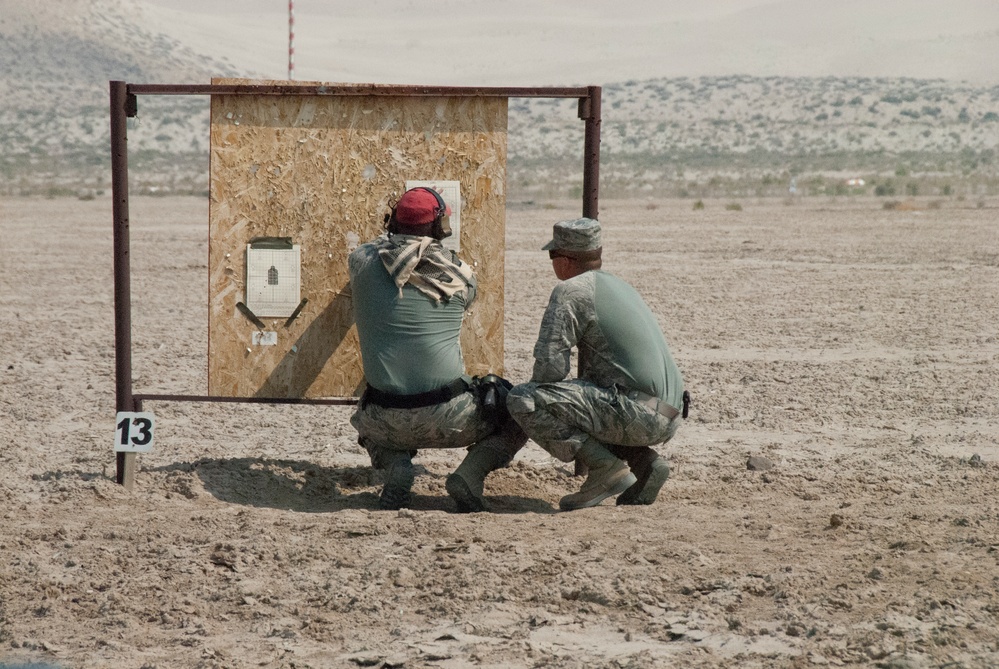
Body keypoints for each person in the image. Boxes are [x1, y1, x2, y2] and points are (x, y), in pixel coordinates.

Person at [348, 186, 527, 512]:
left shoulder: (360, 261)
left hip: (383, 420)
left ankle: (394, 464)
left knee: (364, 411)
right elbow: (468, 298)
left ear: (394, 221)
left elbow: (380, 249)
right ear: (440, 228)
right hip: (451, 417)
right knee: (517, 409)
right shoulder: (459, 274)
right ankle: (470, 475)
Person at [507, 217, 688, 511]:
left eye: (553, 255)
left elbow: (549, 370)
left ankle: (605, 470)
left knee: (524, 399)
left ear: (564, 260)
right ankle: (646, 464)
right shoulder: (622, 287)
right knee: (588, 397)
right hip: (668, 411)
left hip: (638, 413)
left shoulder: (571, 291)